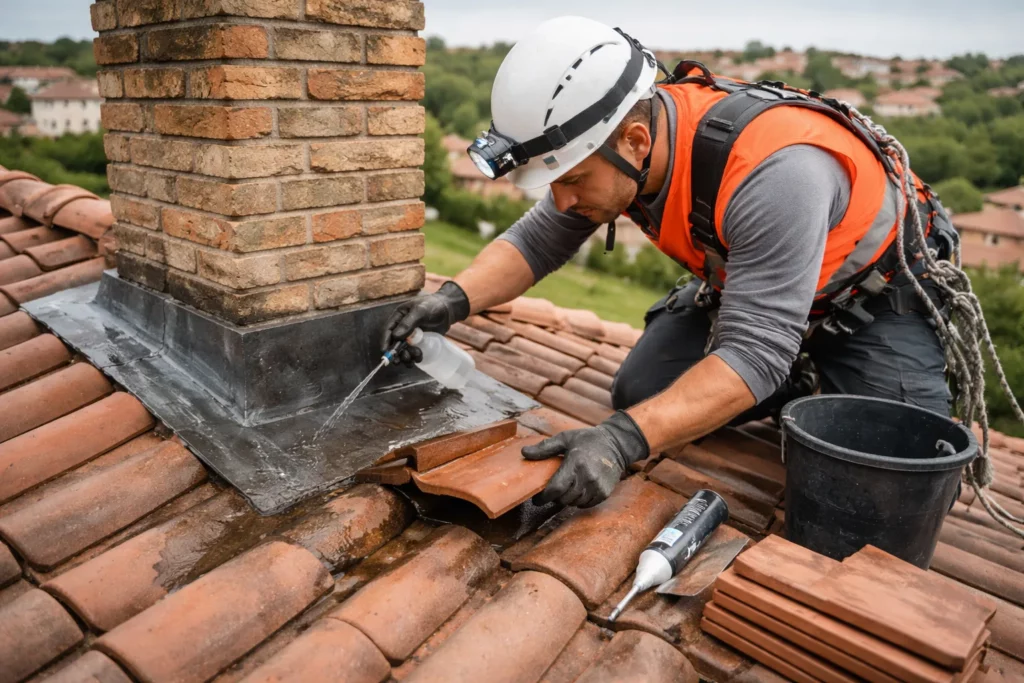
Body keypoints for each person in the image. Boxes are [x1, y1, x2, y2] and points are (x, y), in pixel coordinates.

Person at [383, 16, 958, 510]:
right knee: (644, 392)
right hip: (758, 295)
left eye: (573, 181)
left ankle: (792, 374)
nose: (562, 200)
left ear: (635, 140)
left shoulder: (775, 175)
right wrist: (449, 301)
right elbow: (536, 242)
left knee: (896, 481)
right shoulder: (621, 153)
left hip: (871, 303)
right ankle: (791, 379)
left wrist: (619, 442)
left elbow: (755, 349)